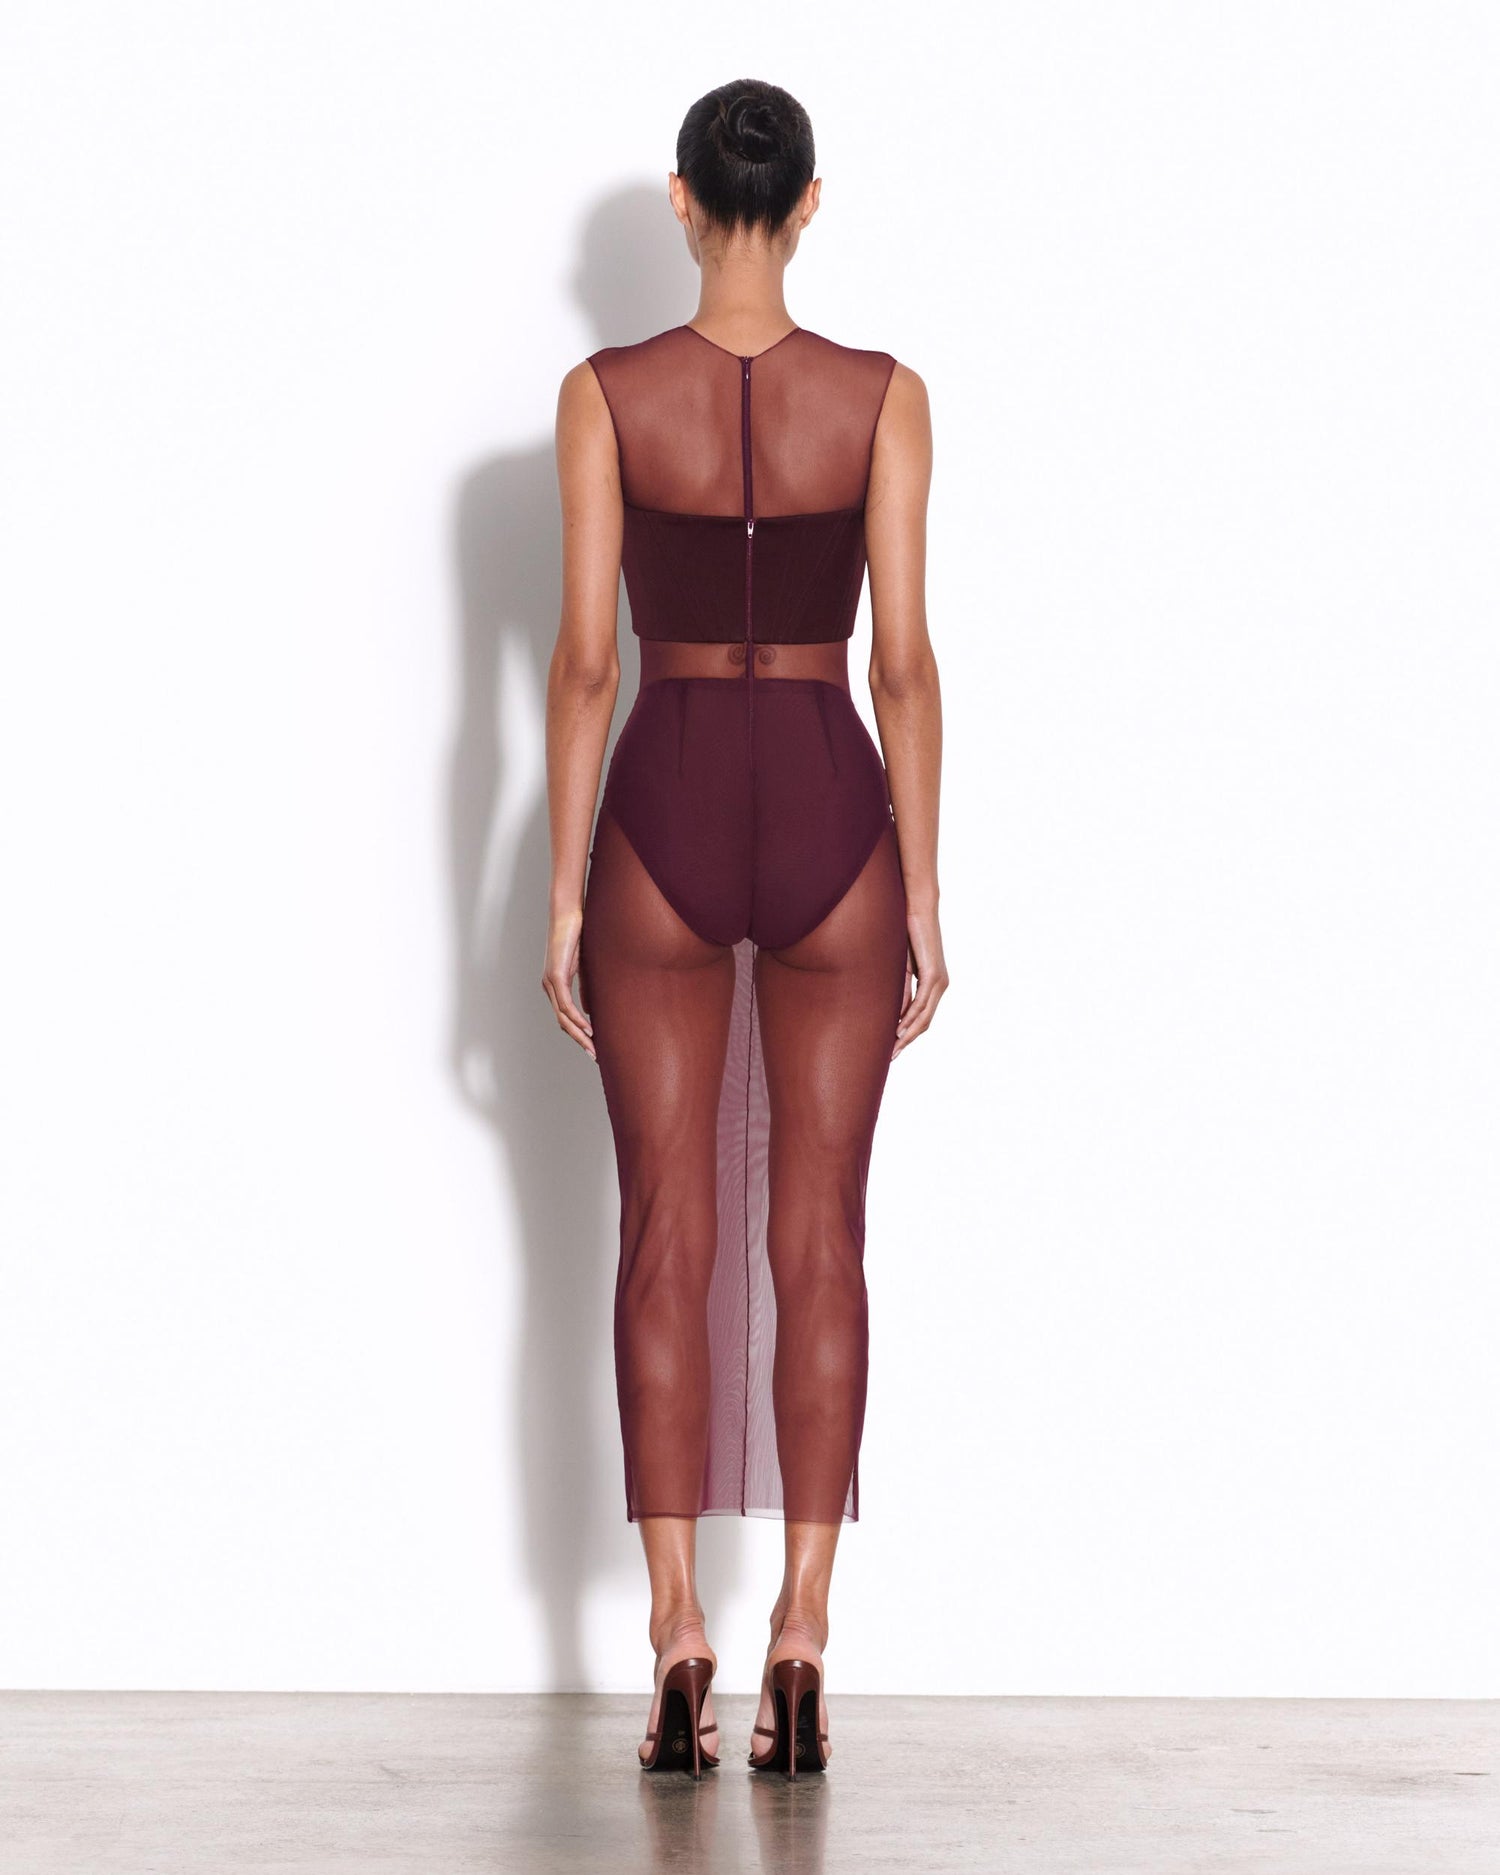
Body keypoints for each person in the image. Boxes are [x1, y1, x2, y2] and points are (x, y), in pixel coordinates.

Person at [544, 78, 946, 1779]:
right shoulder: (884, 399)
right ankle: (802, 1629)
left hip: (668, 798)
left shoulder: (606, 396)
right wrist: (925, 891)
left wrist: (566, 889)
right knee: (822, 1237)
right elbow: (903, 664)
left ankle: (674, 1631)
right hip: (834, 804)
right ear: (810, 204)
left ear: (682, 199)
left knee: (664, 1233)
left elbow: (584, 664)